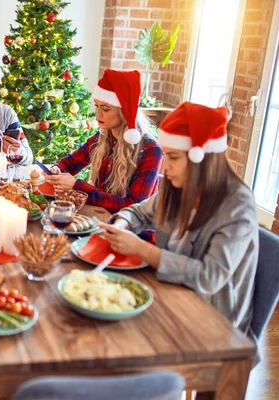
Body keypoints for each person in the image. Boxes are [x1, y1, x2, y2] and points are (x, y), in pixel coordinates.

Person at [100, 102, 258, 335]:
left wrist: (143, 250)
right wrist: (122, 226)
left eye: (173, 157)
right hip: (168, 293)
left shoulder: (237, 207)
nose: (166, 166)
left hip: (212, 324)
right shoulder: (179, 186)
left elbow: (210, 277)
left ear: (199, 159)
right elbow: (138, 212)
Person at [45, 69, 163, 215]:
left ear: (124, 111)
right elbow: (70, 163)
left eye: (106, 108)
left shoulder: (150, 149)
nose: (98, 113)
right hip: (101, 217)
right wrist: (57, 169)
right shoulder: (101, 137)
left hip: (132, 231)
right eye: (96, 105)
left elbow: (133, 206)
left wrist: (78, 186)